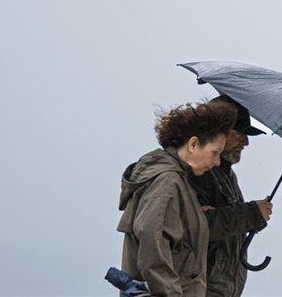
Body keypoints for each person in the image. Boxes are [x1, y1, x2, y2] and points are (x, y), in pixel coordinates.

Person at [116, 101, 236, 297]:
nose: (217, 162)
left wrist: (194, 217)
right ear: (193, 144)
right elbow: (153, 248)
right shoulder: (168, 182)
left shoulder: (177, 182)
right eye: (215, 152)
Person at [189, 95, 273, 297]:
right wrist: (251, 214)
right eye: (240, 133)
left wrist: (252, 216)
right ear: (217, 132)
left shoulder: (226, 174)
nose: (246, 142)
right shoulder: (196, 169)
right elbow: (196, 226)